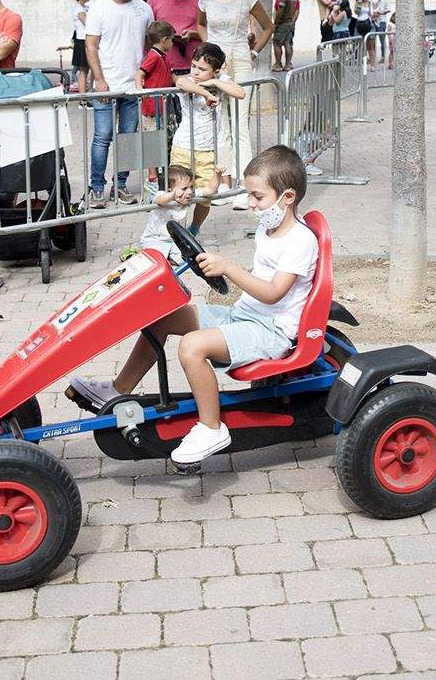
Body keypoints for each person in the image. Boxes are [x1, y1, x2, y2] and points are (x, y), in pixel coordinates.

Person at [67, 145, 316, 464]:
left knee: (192, 346)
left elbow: (273, 294)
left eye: (257, 196)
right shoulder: (269, 228)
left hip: (272, 332)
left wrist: (228, 267)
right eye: (250, 195)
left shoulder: (300, 240)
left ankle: (212, 428)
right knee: (163, 316)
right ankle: (119, 388)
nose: (251, 203)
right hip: (245, 316)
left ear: (288, 197)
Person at [85, 0, 154, 208]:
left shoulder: (144, 9)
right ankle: (97, 188)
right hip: (107, 86)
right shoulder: (99, 8)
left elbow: (149, 45)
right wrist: (100, 80)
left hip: (133, 87)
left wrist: (143, 77)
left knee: (127, 139)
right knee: (102, 137)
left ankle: (121, 185)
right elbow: (91, 46)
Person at [200, 0, 270, 200]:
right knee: (220, 124)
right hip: (216, 65)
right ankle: (224, 181)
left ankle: (243, 183)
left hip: (240, 62)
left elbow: (268, 27)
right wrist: (208, 49)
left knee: (240, 123)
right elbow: (201, 25)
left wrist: (253, 52)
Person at [172, 42, 244, 232]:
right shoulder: (189, 81)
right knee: (178, 193)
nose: (196, 72)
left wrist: (215, 83)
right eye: (194, 66)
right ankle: (175, 230)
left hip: (207, 150)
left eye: (202, 69)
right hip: (183, 147)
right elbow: (180, 82)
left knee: (206, 196)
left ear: (216, 71)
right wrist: (205, 93)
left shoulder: (220, 80)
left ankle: (194, 229)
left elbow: (240, 93)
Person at [149, 0, 203, 77]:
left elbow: (212, 30)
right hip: (163, 66)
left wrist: (193, 35)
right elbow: (149, 32)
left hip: (196, 67)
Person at [134, 164, 197, 263]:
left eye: (191, 187)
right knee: (158, 263)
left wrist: (217, 176)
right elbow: (159, 200)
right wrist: (173, 195)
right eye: (184, 188)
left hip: (174, 241)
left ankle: (171, 257)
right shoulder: (162, 194)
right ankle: (144, 255)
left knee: (186, 261)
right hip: (154, 240)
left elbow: (209, 190)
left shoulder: (188, 195)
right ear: (169, 189)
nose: (189, 191)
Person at [137, 20, 177, 130]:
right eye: (172, 39)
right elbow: (139, 74)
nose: (173, 43)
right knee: (153, 134)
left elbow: (172, 77)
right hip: (152, 108)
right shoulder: (153, 56)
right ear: (164, 40)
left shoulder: (163, 56)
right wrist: (141, 92)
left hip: (160, 106)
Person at [271, 0, 299, 72]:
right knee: (287, 43)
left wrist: (276, 22)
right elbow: (296, 10)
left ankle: (278, 64)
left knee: (276, 43)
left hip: (283, 23)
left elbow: (280, 11)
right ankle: (287, 65)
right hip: (290, 23)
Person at [68, 0, 91, 90]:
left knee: (92, 68)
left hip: (88, 40)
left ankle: (91, 91)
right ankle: (83, 95)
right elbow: (88, 23)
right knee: (83, 70)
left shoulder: (86, 7)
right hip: (82, 41)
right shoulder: (79, 9)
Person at [368, 0, 394, 68]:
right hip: (372, 20)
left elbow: (388, 9)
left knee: (382, 38)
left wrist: (381, 12)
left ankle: (383, 56)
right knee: (372, 39)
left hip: (382, 20)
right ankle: (373, 57)